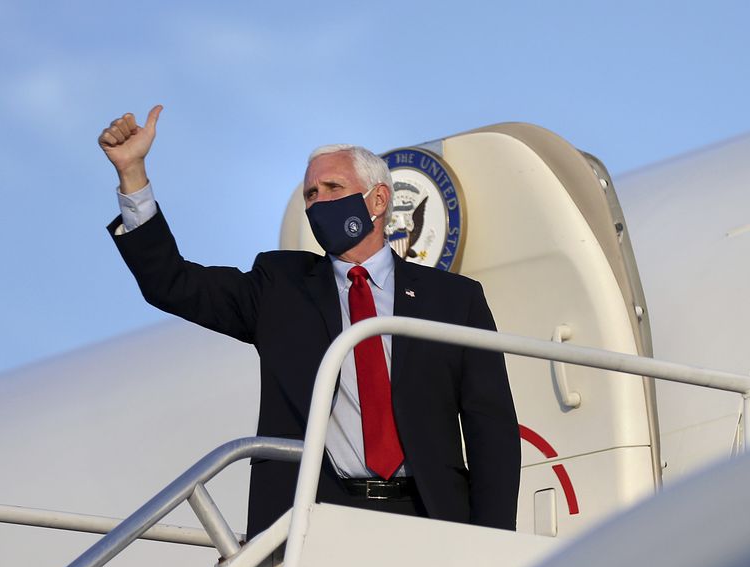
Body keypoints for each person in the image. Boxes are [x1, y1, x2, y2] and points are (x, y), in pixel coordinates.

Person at [98, 105, 520, 535]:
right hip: (315, 518)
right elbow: (171, 282)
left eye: (332, 187)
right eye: (310, 194)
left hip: (430, 516)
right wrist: (132, 175)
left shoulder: (453, 300)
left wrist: (496, 540)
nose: (318, 202)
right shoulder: (280, 288)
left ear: (378, 199)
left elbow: (492, 431)